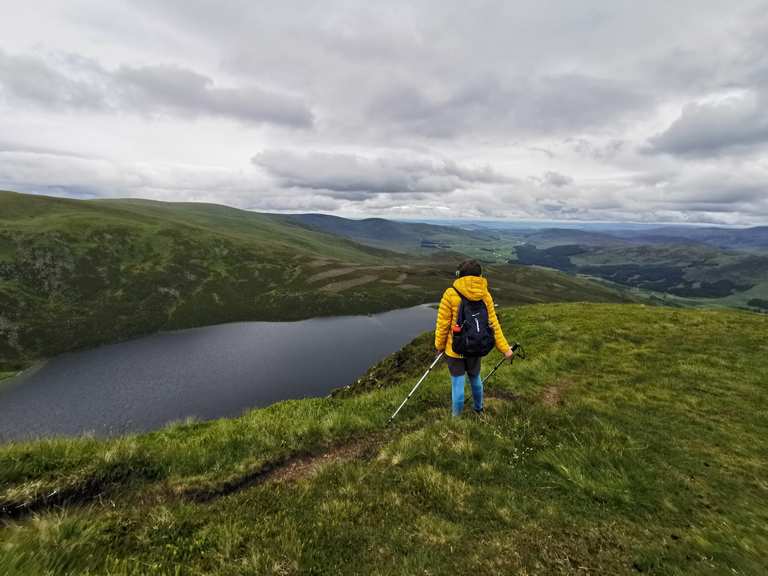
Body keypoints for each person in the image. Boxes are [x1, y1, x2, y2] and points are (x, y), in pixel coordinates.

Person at [434, 259, 514, 416]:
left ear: (459, 275)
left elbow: (442, 325)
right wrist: (505, 349)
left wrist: (439, 346)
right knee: (475, 379)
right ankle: (479, 409)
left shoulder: (450, 294)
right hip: (476, 346)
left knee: (458, 384)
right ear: (480, 276)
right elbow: (494, 324)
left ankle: (456, 419)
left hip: (455, 349)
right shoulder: (485, 295)